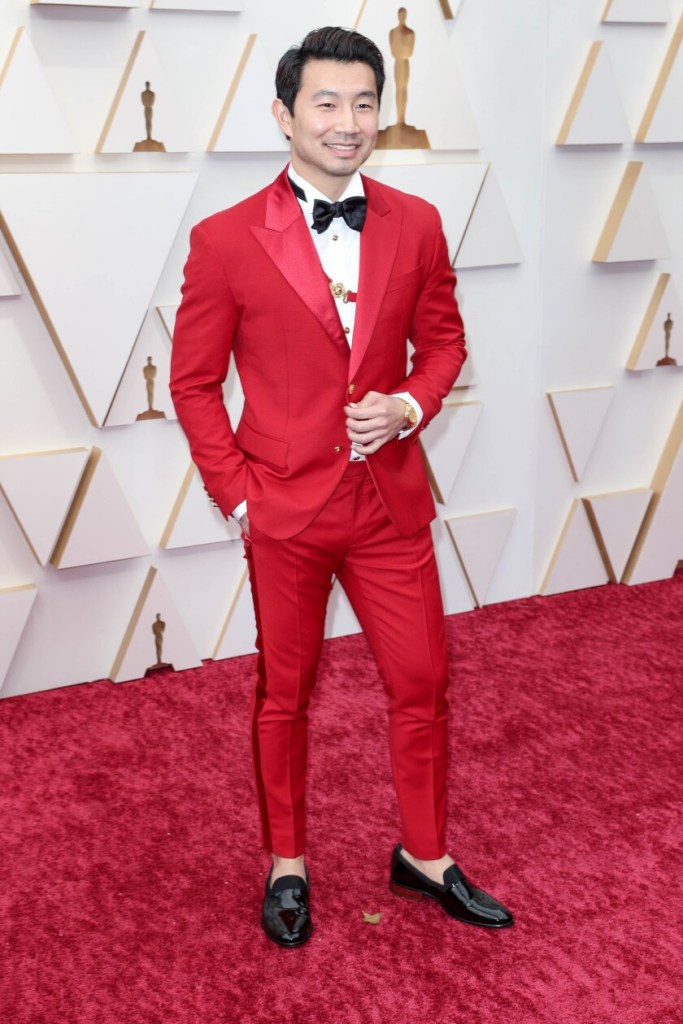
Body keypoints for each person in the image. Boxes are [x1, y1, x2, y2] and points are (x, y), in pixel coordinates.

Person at [170, 25, 513, 947]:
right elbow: (193, 384)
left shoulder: (418, 221)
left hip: (387, 503)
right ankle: (286, 863)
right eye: (325, 102)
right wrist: (240, 496)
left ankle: (425, 856)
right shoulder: (224, 238)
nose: (347, 121)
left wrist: (407, 405)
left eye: (364, 102)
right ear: (284, 115)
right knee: (285, 693)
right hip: (283, 507)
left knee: (423, 680)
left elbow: (444, 344)